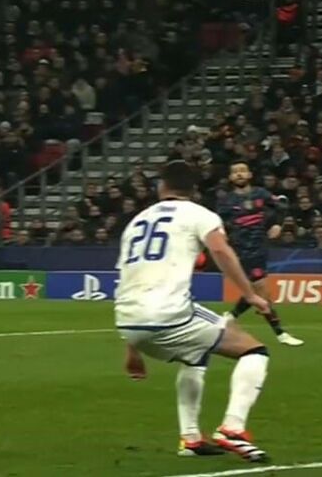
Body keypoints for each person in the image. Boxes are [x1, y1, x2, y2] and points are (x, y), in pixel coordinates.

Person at [115, 160, 271, 462]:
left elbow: (126, 280)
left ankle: (190, 439)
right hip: (168, 315)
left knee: (195, 355)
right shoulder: (200, 214)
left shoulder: (136, 221)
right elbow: (221, 250)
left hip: (128, 319)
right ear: (194, 189)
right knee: (254, 351)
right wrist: (250, 294)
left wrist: (132, 347)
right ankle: (233, 428)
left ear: (161, 186)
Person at [217, 161, 304, 346]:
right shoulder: (226, 201)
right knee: (261, 290)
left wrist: (277, 224)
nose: (239, 174)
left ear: (249, 175)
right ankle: (280, 334)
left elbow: (282, 205)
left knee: (255, 290)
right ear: (231, 177)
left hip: (260, 247)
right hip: (241, 249)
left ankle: (230, 316)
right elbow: (219, 225)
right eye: (235, 172)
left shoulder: (261, 194)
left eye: (243, 171)